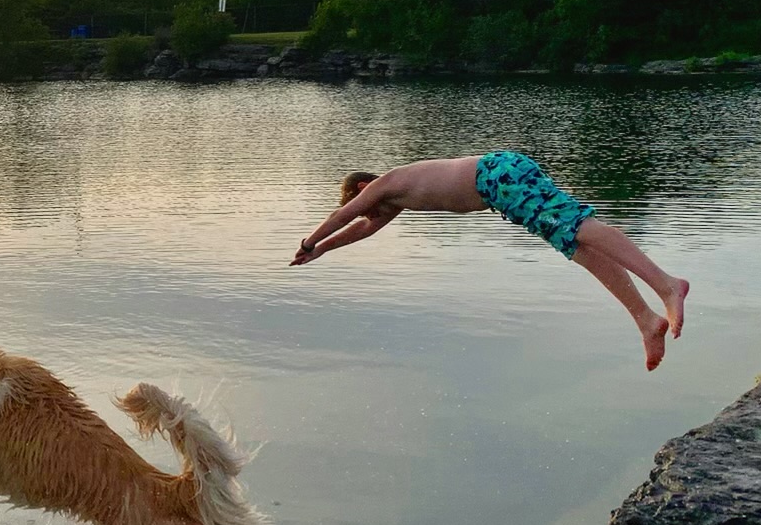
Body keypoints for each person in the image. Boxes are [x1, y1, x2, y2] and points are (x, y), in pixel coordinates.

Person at [290, 153, 690, 371]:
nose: (366, 213)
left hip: (497, 176)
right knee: (575, 245)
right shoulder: (393, 203)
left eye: (361, 204)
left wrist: (310, 240)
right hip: (501, 186)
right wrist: (323, 251)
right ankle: (644, 318)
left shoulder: (384, 184)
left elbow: (346, 218)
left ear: (362, 188)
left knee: (577, 225)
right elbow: (361, 230)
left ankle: (666, 285)